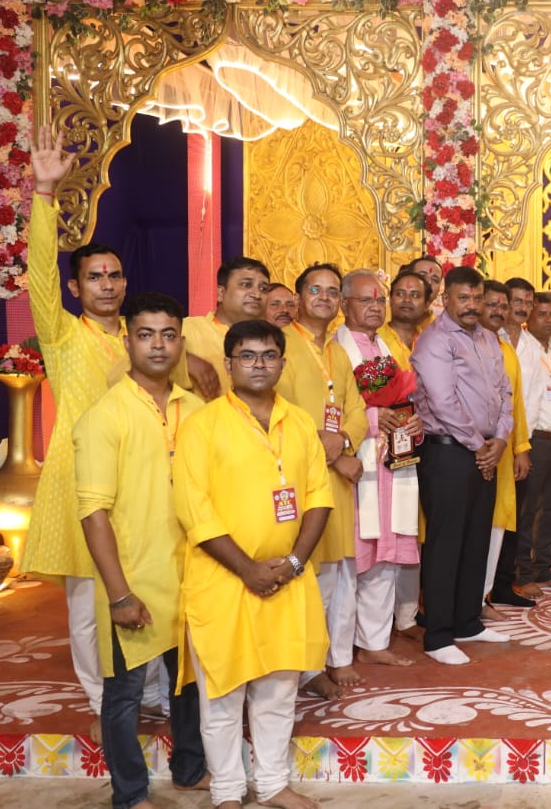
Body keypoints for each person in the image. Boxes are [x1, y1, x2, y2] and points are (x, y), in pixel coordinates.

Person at [174, 319, 331, 809]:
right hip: (222, 581)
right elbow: (194, 510)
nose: (258, 364)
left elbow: (319, 497)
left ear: (282, 362)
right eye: (247, 355)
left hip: (288, 581)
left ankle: (272, 785)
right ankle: (226, 790)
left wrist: (294, 562)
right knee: (222, 695)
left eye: (268, 355)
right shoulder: (202, 425)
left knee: (279, 691)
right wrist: (247, 568)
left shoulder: (299, 423)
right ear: (228, 364)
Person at [74, 292, 208, 808]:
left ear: (181, 342)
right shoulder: (105, 416)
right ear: (128, 341)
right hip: (134, 578)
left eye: (168, 334)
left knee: (187, 686)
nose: (158, 345)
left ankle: (189, 770)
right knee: (124, 695)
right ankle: (129, 794)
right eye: (146, 334)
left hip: (191, 574)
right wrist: (119, 593)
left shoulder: (196, 409)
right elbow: (93, 513)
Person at [23, 125, 132, 740]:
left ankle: (143, 692)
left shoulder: (145, 338)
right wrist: (44, 193)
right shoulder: (64, 336)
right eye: (95, 277)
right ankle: (101, 701)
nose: (107, 284)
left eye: (114, 275)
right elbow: (39, 274)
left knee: (141, 588)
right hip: (80, 484)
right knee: (90, 604)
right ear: (75, 287)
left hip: (139, 483)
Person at [412, 266, 514, 665]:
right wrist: (479, 446)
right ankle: (438, 635)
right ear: (446, 300)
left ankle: (467, 621)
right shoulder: (434, 340)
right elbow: (443, 401)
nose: (472, 305)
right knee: (446, 542)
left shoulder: (488, 338)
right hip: (448, 453)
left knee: (476, 538)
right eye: (464, 298)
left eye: (477, 298)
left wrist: (499, 440)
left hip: (484, 449)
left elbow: (505, 392)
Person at [276, 263, 367, 699]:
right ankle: (306, 666)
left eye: (332, 291)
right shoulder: (282, 344)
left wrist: (344, 440)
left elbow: (356, 409)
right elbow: (279, 411)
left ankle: (336, 656)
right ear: (298, 298)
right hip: (302, 476)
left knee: (341, 571)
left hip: (339, 477)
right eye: (316, 290)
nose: (325, 298)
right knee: (309, 575)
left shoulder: (337, 352)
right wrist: (328, 450)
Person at [334, 270, 421, 669]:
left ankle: (374, 640)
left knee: (386, 555)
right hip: (355, 463)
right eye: (365, 300)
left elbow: (403, 396)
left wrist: (412, 420)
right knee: (353, 557)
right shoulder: (336, 350)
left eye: (379, 300)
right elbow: (331, 409)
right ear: (344, 304)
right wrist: (373, 418)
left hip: (391, 462)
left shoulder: (387, 347)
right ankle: (338, 651)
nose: (375, 307)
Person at [512, 292, 551, 600]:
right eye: (542, 314)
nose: (549, 320)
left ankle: (543, 568)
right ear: (530, 316)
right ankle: (522, 573)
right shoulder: (522, 348)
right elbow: (521, 400)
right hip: (533, 438)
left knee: (550, 507)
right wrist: (521, 445)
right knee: (527, 509)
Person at [480, 281, 534, 612]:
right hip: (479, 451)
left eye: (503, 306)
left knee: (499, 524)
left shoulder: (506, 351)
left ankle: (484, 595)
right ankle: (472, 599)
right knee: (479, 526)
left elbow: (516, 407)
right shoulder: (468, 344)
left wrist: (521, 447)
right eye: (492, 304)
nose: (499, 311)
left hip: (504, 451)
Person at [181, 257, 271, 400]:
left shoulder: (271, 341)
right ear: (221, 293)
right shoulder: (187, 329)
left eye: (263, 289)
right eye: (246, 285)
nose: (257, 294)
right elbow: (143, 354)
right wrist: (184, 360)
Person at [379, 268, 432, 371]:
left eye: (415, 295)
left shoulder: (431, 343)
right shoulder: (375, 340)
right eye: (400, 294)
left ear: (426, 304)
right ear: (390, 299)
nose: (407, 299)